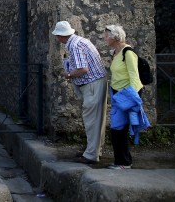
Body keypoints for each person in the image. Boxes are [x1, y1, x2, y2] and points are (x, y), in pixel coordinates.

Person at [52, 21, 107, 164]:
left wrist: (69, 75)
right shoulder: (80, 41)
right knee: (97, 119)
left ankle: (91, 155)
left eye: (57, 36)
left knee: (92, 120)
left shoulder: (75, 46)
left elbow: (83, 69)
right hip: (96, 82)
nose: (57, 39)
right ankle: (94, 150)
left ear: (61, 36)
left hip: (92, 84)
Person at [103, 24, 150, 170]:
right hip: (117, 94)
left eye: (106, 35)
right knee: (117, 128)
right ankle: (121, 160)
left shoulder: (127, 52)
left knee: (120, 128)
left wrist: (133, 100)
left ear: (114, 37)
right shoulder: (116, 53)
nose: (104, 38)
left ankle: (124, 163)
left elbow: (134, 77)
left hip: (126, 96)